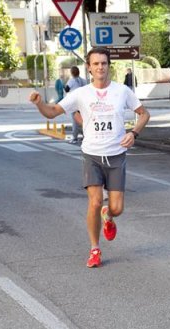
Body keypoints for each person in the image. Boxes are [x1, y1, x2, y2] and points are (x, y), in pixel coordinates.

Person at [30, 47, 150, 268]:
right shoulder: (81, 93)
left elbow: (144, 114)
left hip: (116, 156)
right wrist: (39, 103)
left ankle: (109, 215)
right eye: (96, 64)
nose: (100, 67)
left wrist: (133, 133)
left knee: (117, 208)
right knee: (94, 202)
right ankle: (95, 249)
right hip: (92, 154)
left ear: (108, 66)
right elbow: (52, 112)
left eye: (103, 63)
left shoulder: (122, 91)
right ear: (89, 67)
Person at [64, 66, 89, 144]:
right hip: (83, 102)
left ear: (72, 73)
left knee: (75, 120)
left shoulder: (71, 81)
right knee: (84, 120)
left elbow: (66, 89)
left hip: (75, 103)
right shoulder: (84, 81)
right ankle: (86, 136)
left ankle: (75, 137)